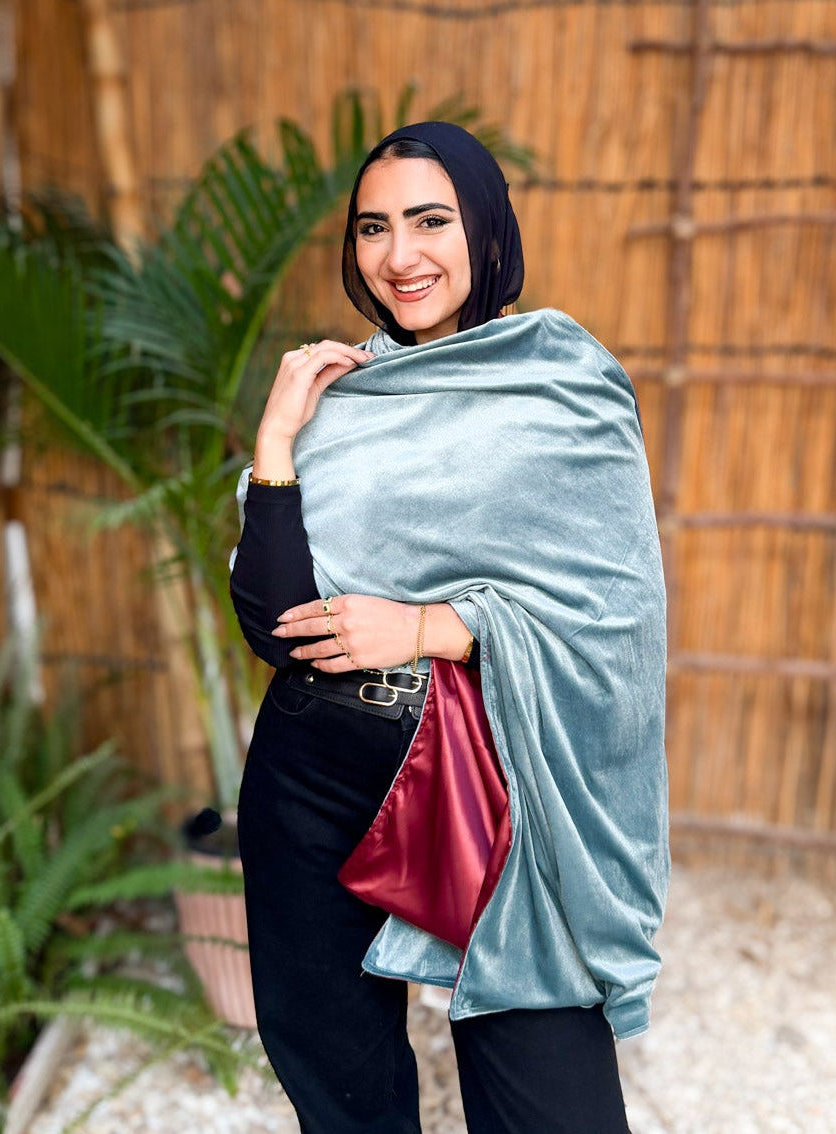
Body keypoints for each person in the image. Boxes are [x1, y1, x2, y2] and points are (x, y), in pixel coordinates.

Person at [230, 121, 669, 1134]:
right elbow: (275, 623)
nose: (400, 256)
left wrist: (431, 624)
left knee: (549, 1097)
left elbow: (615, 620)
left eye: (431, 221)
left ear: (487, 229)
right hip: (310, 774)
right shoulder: (344, 394)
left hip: (495, 772)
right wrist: (277, 438)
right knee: (340, 1094)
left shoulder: (564, 382)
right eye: (374, 228)